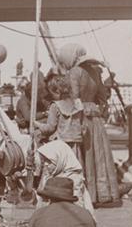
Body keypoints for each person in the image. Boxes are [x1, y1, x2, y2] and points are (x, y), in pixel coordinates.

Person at [59, 43, 120, 207]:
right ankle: (102, 193)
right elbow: (103, 97)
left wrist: (76, 117)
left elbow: (75, 97)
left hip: (80, 115)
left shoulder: (75, 72)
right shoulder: (94, 71)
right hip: (95, 116)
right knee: (98, 153)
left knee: (82, 153)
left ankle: (85, 193)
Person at [36, 140, 96, 216]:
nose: (46, 164)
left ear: (60, 159)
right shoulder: (49, 175)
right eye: (44, 161)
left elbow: (77, 206)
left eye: (49, 161)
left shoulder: (73, 179)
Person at [35, 76, 84, 152]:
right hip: (75, 143)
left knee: (37, 136)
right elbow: (83, 125)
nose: (51, 97)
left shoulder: (55, 106)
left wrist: (38, 125)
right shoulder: (77, 104)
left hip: (61, 144)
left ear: (57, 92)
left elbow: (50, 128)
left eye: (52, 94)